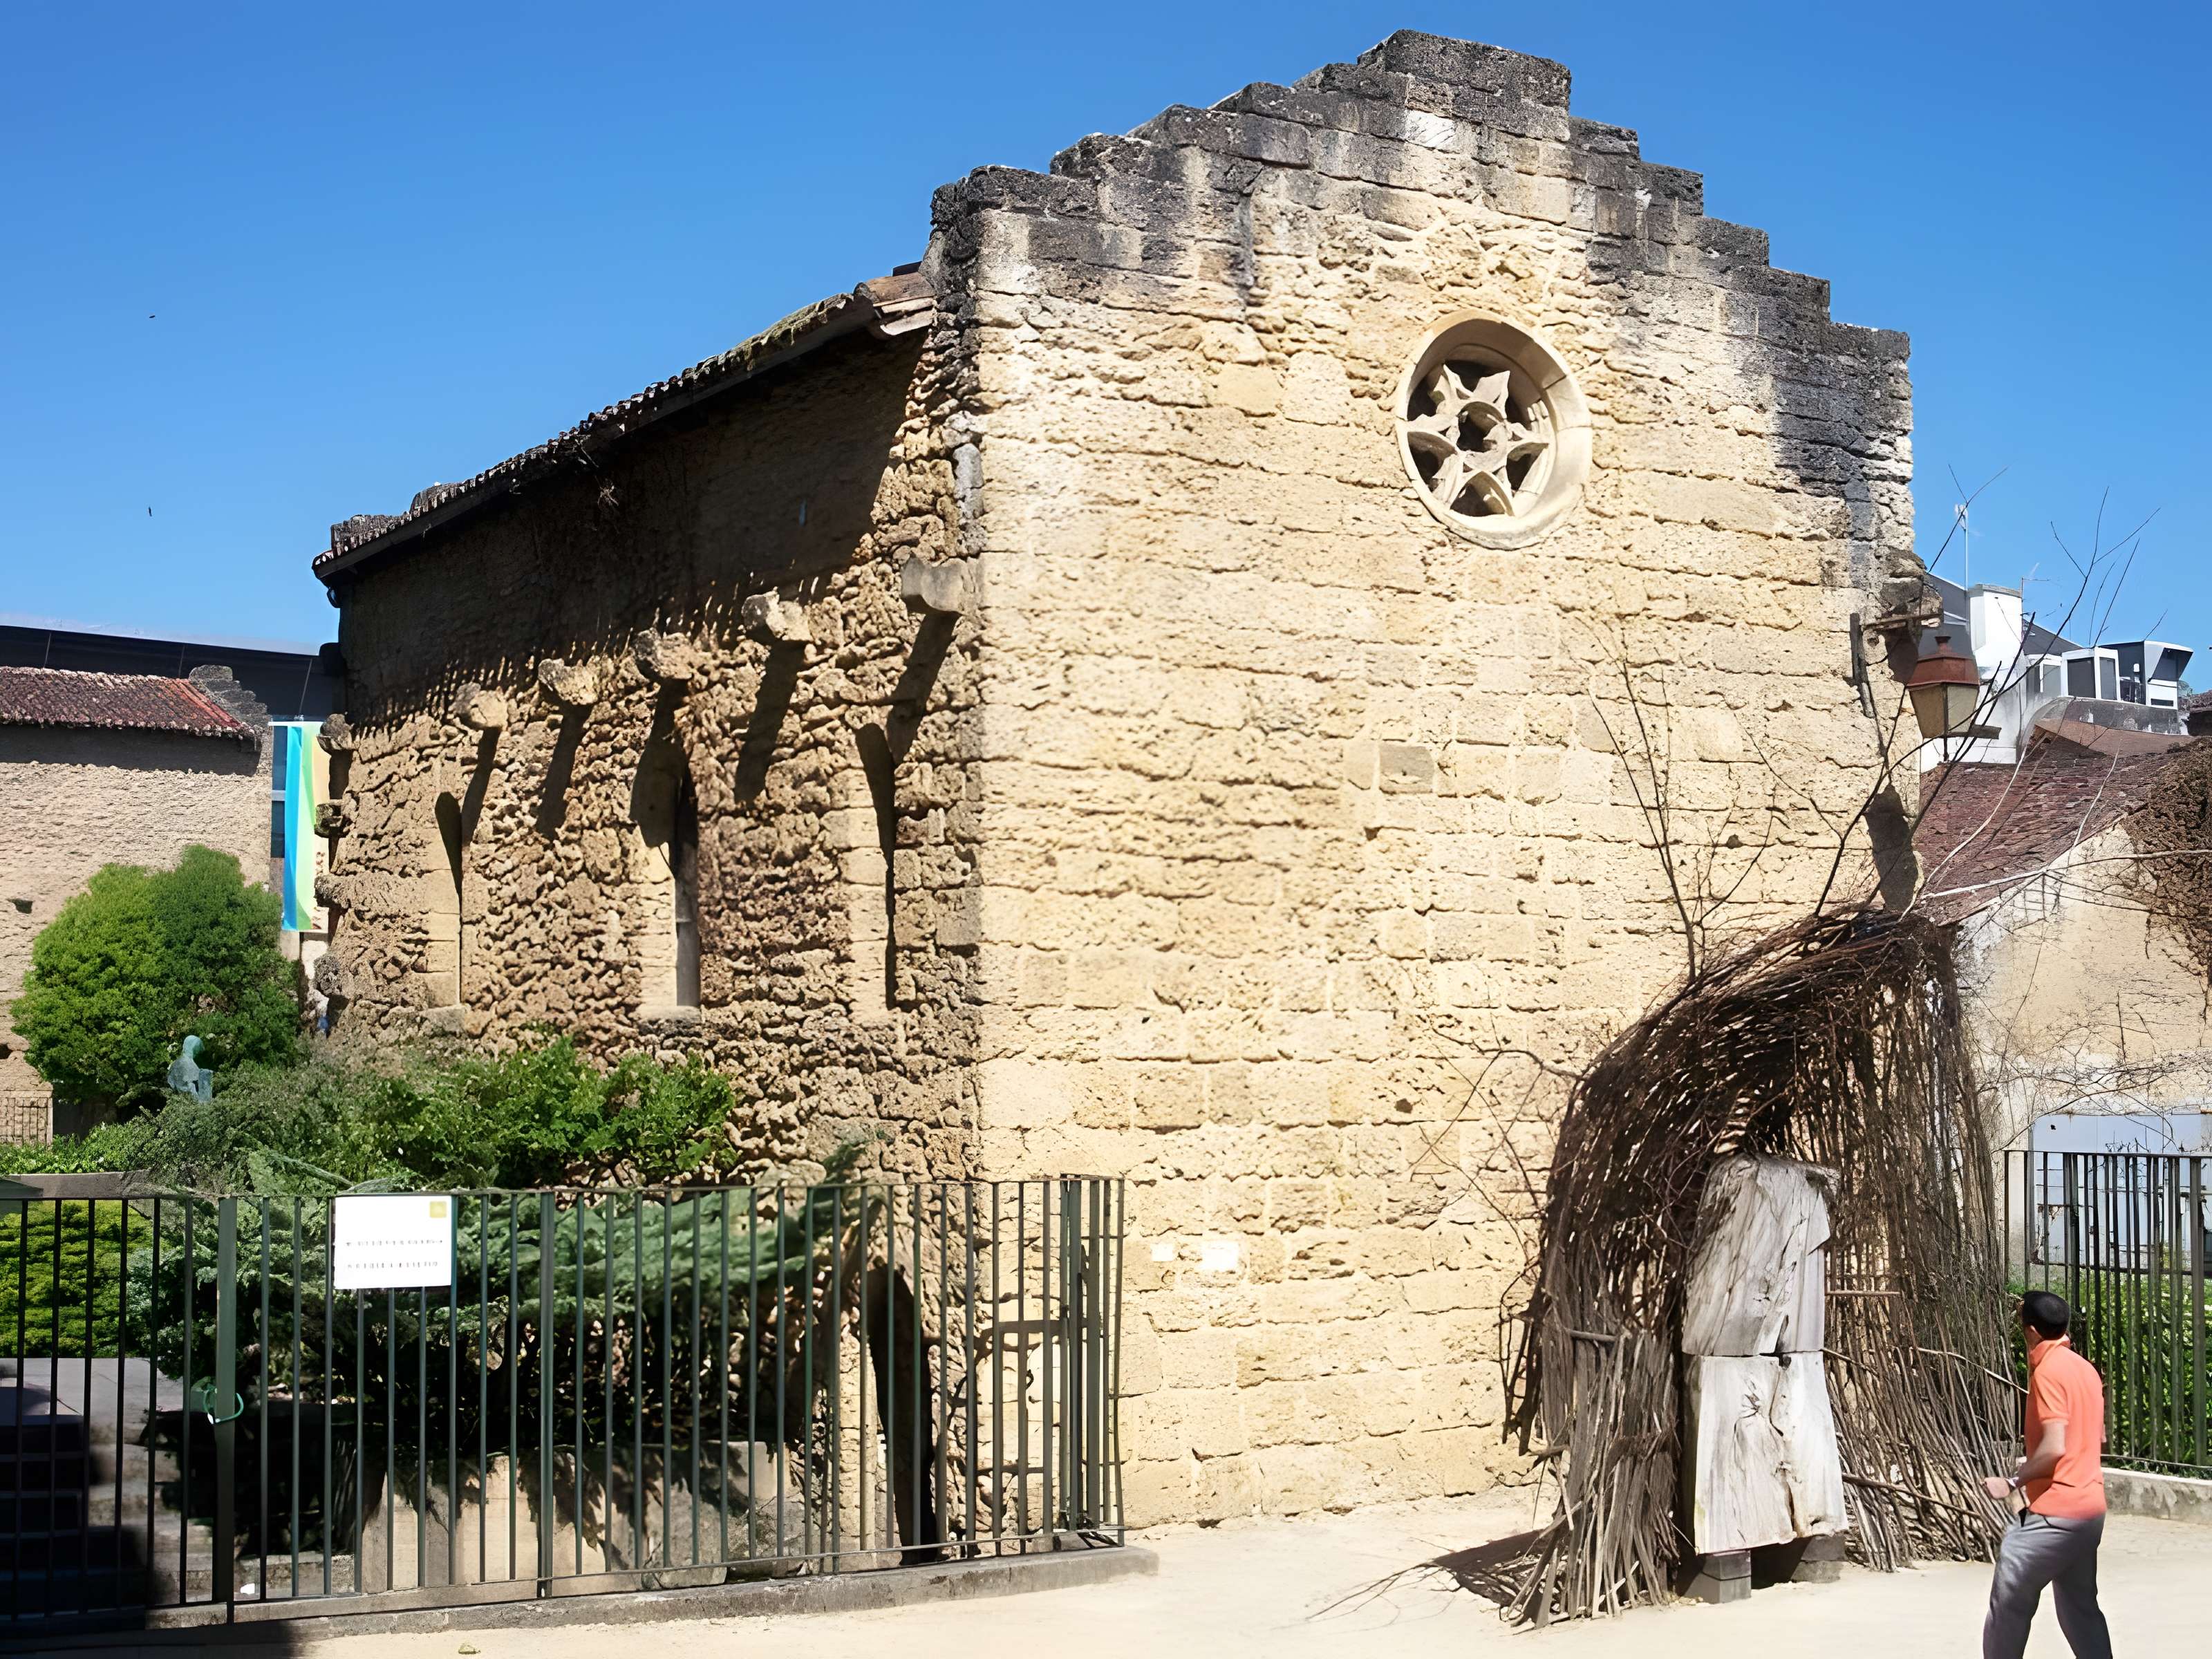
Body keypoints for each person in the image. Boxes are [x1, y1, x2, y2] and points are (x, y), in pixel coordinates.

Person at [1982, 1288, 2112, 1659]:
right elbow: (2095, 1436)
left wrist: (2011, 1482)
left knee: (2009, 1600)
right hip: (2089, 1511)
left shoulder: (2049, 1372)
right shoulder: (2084, 1369)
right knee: (2079, 1609)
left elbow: (2055, 1447)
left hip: (2055, 1513)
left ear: (2032, 1332)